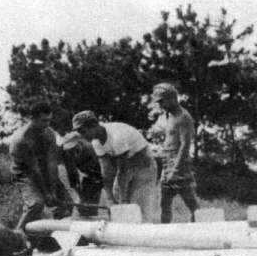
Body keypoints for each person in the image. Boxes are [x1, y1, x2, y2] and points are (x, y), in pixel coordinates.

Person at [72, 110, 157, 222]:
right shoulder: (96, 141)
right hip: (127, 166)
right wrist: (110, 198)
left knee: (139, 205)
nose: (81, 135)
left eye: (83, 131)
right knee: (116, 198)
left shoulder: (117, 136)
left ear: (93, 125)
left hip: (143, 166)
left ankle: (146, 233)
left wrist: (123, 200)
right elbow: (106, 171)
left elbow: (123, 170)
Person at [9, 101, 71, 231]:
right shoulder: (22, 140)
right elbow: (33, 170)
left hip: (43, 170)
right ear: (33, 118)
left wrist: (53, 190)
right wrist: (47, 193)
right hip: (24, 173)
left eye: (49, 120)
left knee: (66, 202)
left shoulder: (49, 133)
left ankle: (58, 235)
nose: (47, 124)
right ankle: (17, 235)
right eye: (43, 121)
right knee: (37, 204)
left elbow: (51, 163)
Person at [150, 83, 199, 223]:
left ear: (172, 98)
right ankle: (165, 232)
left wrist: (176, 170)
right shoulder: (168, 115)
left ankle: (201, 228)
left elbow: (185, 145)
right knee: (164, 203)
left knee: (191, 202)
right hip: (167, 163)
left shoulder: (184, 117)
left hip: (179, 165)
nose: (160, 105)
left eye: (162, 101)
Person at [60, 131, 103, 217]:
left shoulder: (89, 148)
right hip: (85, 171)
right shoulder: (66, 153)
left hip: (95, 172)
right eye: (69, 150)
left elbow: (98, 173)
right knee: (81, 204)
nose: (71, 151)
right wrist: (78, 190)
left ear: (79, 143)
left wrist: (91, 190)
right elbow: (71, 172)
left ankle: (92, 214)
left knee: (92, 200)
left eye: (73, 148)